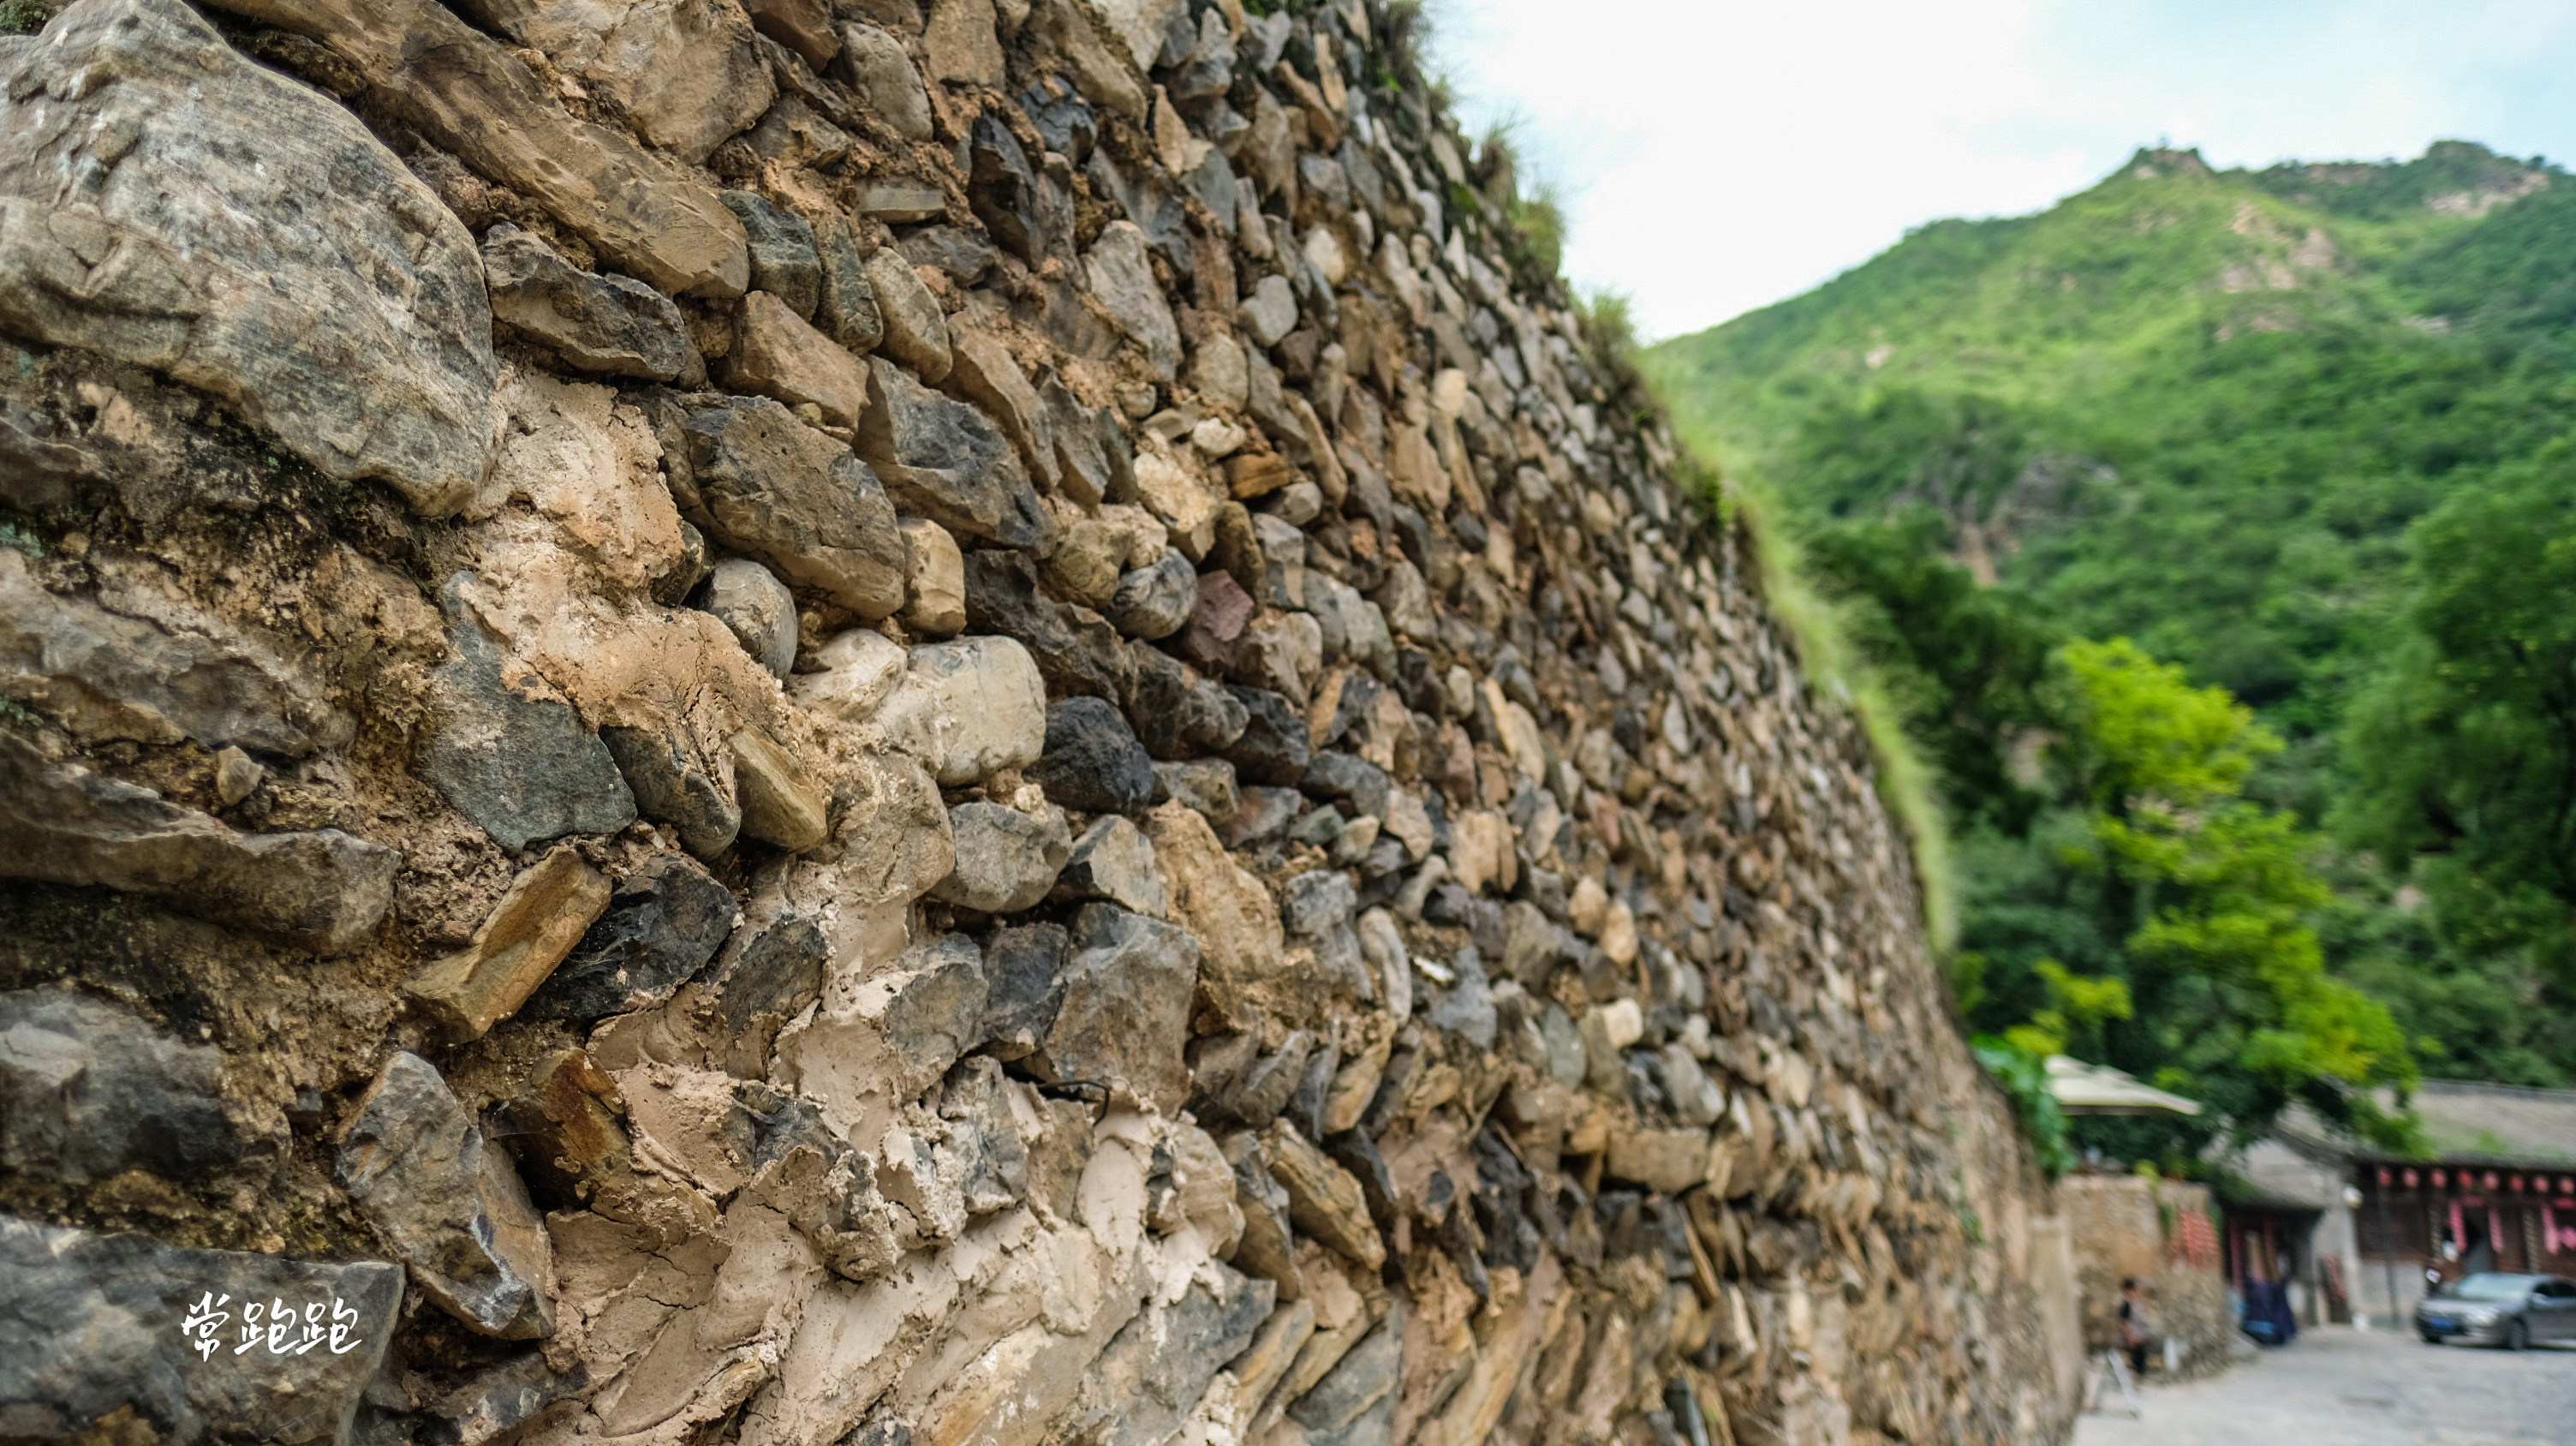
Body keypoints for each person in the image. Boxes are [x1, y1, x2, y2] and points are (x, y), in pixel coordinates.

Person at [2118, 1278, 2153, 1376]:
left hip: (2137, 1338)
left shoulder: (2134, 1304)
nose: (2138, 1291)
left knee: (2141, 1360)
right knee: (2137, 1362)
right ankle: (2136, 1379)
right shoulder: (2126, 1304)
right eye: (2136, 1289)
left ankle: (2138, 1378)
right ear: (2130, 1290)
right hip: (2133, 1340)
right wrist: (2130, 1338)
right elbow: (2123, 1322)